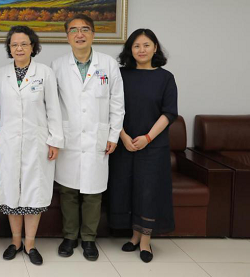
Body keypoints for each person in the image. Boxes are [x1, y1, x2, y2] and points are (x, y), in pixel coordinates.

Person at [51, 14, 124, 261]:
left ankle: (89, 239)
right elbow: (52, 105)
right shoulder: (57, 65)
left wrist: (114, 134)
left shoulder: (108, 64)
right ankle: (70, 237)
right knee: (68, 191)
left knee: (93, 192)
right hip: (68, 137)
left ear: (93, 34)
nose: (79, 34)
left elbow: (117, 102)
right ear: (67, 36)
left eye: (84, 29)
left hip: (97, 137)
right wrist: (54, 137)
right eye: (73, 30)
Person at [0, 26, 63, 266]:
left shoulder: (45, 73)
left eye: (24, 44)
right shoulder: (0, 75)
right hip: (8, 142)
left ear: (33, 46)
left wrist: (55, 140)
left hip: (37, 142)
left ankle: (30, 244)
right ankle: (15, 242)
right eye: (14, 44)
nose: (19, 48)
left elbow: (53, 108)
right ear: (9, 48)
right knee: (11, 191)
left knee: (35, 191)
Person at [109, 29, 177, 263]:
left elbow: (169, 113)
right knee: (127, 189)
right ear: (130, 49)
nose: (141, 50)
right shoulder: (120, 75)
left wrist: (147, 138)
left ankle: (145, 241)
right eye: (136, 46)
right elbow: (110, 108)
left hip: (153, 146)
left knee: (148, 191)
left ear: (155, 48)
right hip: (124, 143)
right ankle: (134, 236)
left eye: (146, 45)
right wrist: (123, 136)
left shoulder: (165, 78)